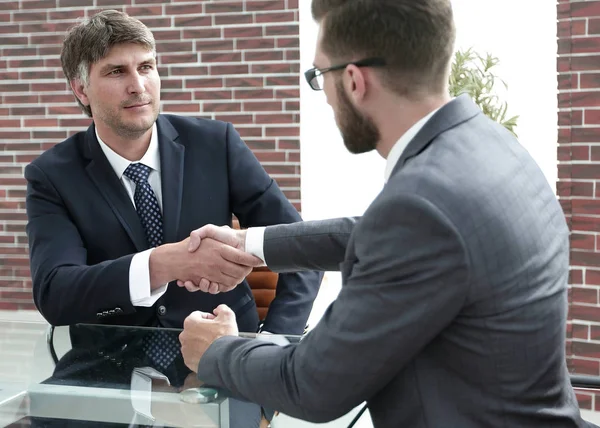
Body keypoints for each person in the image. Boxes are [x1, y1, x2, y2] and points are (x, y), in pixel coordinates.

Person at [178, 0, 591, 426]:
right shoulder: (493, 146)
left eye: (320, 76)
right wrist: (252, 244)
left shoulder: (419, 206)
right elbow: (382, 236)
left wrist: (217, 349)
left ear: (354, 81)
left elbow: (312, 385)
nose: (325, 99)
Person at [24, 9, 322, 337]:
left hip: (224, 356)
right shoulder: (51, 175)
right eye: (116, 72)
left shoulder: (216, 144)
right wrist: (164, 263)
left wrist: (273, 343)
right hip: (112, 366)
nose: (138, 86)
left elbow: (305, 249)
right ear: (81, 90)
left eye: (146, 67)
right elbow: (55, 295)